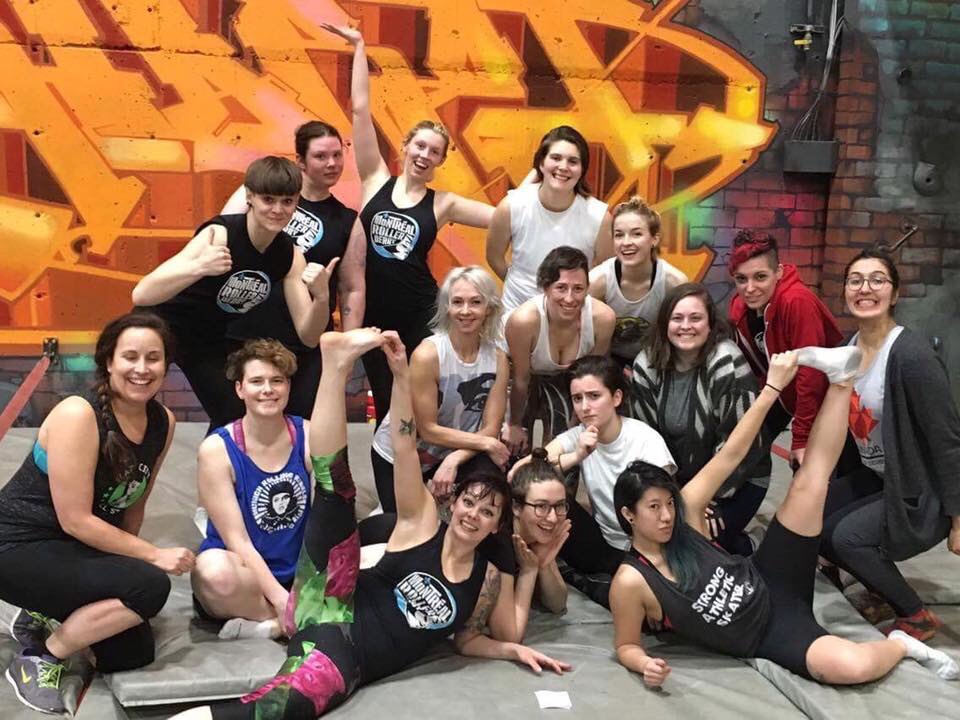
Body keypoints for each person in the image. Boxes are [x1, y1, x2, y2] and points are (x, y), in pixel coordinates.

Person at [171, 328, 567, 720]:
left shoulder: (487, 577)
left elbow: (480, 638)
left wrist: (528, 590)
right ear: (454, 502)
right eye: (468, 502)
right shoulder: (423, 524)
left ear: (497, 525)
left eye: (487, 511)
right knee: (335, 486)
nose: (473, 515)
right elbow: (404, 446)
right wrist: (400, 376)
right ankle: (334, 364)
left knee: (281, 708)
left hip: (345, 656)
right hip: (329, 592)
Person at [610, 350, 960, 688]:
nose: (667, 515)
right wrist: (644, 664)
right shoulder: (630, 581)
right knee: (851, 668)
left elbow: (732, 452)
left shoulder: (685, 512)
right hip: (769, 633)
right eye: (653, 508)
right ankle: (902, 645)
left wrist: (771, 389)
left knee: (809, 483)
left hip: (767, 574)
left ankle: (842, 380)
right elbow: (626, 645)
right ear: (629, 514)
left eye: (668, 503)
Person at [0, 312, 194, 714]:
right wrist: (151, 557)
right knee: (150, 587)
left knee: (130, 652)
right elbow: (75, 520)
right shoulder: (79, 414)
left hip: (71, 549)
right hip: (17, 546)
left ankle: (43, 611)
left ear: (166, 365)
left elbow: (134, 503)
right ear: (109, 361)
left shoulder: (163, 422)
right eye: (130, 357)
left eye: (153, 358)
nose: (142, 369)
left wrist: (125, 564)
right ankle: (41, 657)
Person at [322, 24, 495, 426]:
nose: (424, 155)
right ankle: (388, 468)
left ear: (441, 161)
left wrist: (547, 183)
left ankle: (432, 462)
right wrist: (359, 47)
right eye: (419, 146)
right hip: (374, 313)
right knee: (386, 404)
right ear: (404, 147)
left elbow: (506, 216)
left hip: (421, 314)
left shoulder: (444, 203)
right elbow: (360, 110)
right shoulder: (375, 180)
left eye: (434, 151)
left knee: (422, 403)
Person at [133, 156, 338, 430]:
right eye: (268, 200)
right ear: (250, 197)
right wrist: (198, 267)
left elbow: (308, 336)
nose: (278, 209)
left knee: (234, 412)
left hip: (205, 338)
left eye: (287, 201)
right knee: (130, 401)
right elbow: (142, 294)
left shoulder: (289, 256)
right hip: (159, 324)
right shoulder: (220, 234)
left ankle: (219, 459)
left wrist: (321, 298)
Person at [821, 249, 960, 640]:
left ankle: (915, 615)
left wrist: (958, 519)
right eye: (855, 280)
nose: (865, 288)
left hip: (920, 490)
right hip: (879, 475)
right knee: (813, 515)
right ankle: (879, 590)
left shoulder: (912, 356)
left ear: (895, 294)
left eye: (877, 280)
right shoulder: (849, 348)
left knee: (846, 538)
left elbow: (947, 441)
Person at [221, 121, 367, 417]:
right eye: (321, 156)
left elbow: (352, 287)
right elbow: (225, 236)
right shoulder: (261, 193)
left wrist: (349, 347)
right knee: (235, 424)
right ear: (300, 160)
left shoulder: (347, 220)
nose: (332, 163)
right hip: (246, 333)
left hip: (305, 341)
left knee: (304, 425)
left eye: (337, 155)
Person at [512, 355, 676, 607]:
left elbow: (666, 508)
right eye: (577, 399)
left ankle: (587, 581)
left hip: (644, 546)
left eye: (594, 396)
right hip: (601, 541)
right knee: (543, 501)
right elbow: (521, 474)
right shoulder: (580, 435)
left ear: (616, 398)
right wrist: (576, 456)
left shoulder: (645, 440)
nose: (585, 407)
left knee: (644, 599)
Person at [632, 283, 771, 555]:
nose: (686, 326)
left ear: (710, 324)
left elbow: (740, 448)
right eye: (677, 318)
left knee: (695, 543)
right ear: (665, 323)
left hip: (739, 479)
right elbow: (645, 439)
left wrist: (701, 497)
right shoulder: (647, 363)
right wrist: (672, 494)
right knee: (658, 536)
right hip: (679, 480)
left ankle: (754, 543)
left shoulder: (726, 362)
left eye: (695, 318)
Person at [191, 340, 312, 640]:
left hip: (298, 574)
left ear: (288, 386)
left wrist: (303, 587)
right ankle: (285, 618)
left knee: (375, 555)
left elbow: (325, 519)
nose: (267, 389)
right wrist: (282, 602)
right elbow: (238, 541)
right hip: (244, 576)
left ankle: (268, 628)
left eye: (277, 381)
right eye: (257, 381)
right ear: (240, 389)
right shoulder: (217, 449)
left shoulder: (308, 434)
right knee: (212, 572)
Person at [370, 266, 510, 512]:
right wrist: (487, 443)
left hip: (457, 450)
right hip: (402, 452)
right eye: (457, 302)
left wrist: (455, 458)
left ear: (489, 307)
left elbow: (491, 429)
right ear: (447, 307)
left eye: (475, 302)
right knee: (405, 523)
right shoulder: (428, 354)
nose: (465, 311)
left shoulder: (498, 359)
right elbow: (427, 429)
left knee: (488, 498)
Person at [727, 230, 842, 466]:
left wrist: (801, 438)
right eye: (741, 279)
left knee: (810, 470)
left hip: (826, 398)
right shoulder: (740, 307)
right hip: (782, 392)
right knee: (742, 448)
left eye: (760, 277)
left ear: (778, 272)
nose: (750, 288)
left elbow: (811, 374)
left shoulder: (796, 301)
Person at [486, 125, 612, 322]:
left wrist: (568, 298)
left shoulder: (599, 216)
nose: (563, 167)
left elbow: (605, 273)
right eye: (556, 158)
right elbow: (494, 257)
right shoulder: (511, 205)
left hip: (571, 319)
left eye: (573, 161)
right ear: (541, 163)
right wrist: (521, 284)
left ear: (582, 170)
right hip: (515, 311)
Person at [504, 247, 615, 453]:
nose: (570, 298)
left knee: (568, 444)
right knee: (512, 443)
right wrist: (514, 425)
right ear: (546, 288)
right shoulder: (523, 321)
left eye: (578, 289)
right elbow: (521, 379)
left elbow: (592, 377)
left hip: (569, 378)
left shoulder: (603, 319)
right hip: (518, 374)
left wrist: (576, 425)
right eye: (561, 288)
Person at [588, 196, 687, 370]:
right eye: (619, 235)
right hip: (608, 361)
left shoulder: (674, 282)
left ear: (654, 239)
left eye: (637, 234)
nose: (626, 242)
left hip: (657, 361)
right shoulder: (598, 280)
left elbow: (686, 334)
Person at [510, 449, 572, 629]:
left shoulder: (538, 535)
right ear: (516, 507)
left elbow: (558, 604)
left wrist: (544, 566)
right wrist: (529, 571)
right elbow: (510, 630)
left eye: (559, 506)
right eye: (541, 506)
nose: (552, 518)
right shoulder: (500, 538)